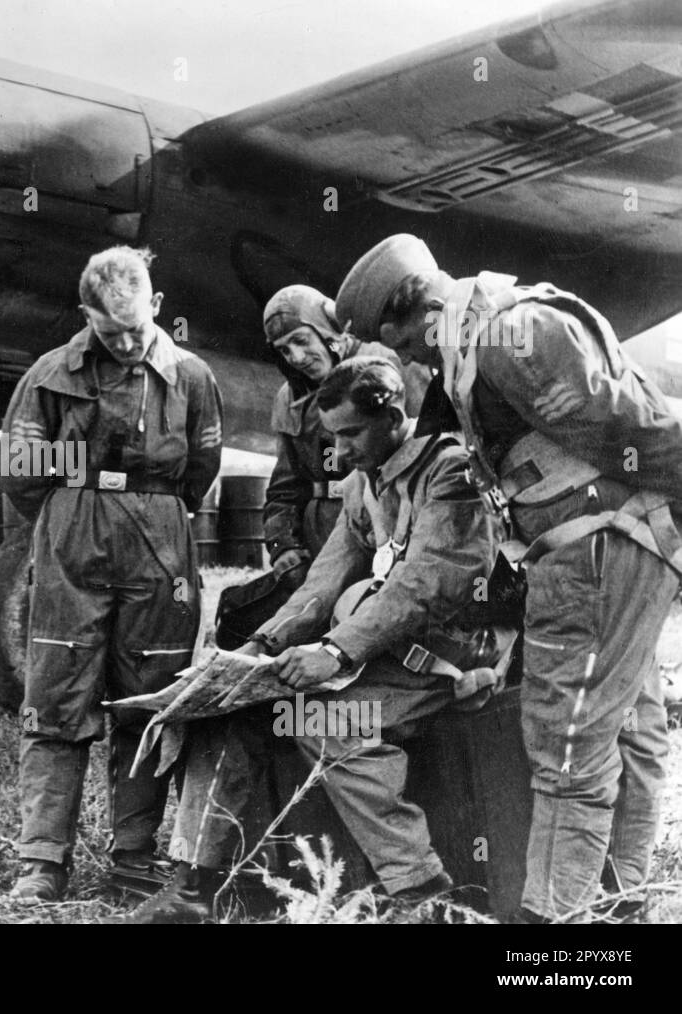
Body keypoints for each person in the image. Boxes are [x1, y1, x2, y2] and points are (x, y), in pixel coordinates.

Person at [335, 234, 682, 922]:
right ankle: (621, 901)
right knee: (626, 728)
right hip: (596, 551)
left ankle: (551, 933)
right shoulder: (479, 339)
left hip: (595, 555)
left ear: (413, 314)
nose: (410, 363)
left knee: (567, 747)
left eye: (404, 346)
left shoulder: (505, 339)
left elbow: (639, 433)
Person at [126, 356, 515, 923]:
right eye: (333, 436)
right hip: (388, 651)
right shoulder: (366, 483)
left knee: (324, 723)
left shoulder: (448, 472)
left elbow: (425, 586)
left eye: (351, 432)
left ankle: (422, 891)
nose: (340, 449)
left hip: (451, 653)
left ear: (395, 416)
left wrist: (334, 651)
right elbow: (325, 579)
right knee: (227, 714)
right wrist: (260, 646)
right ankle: (195, 886)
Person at [0, 245, 223, 902]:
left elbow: (200, 474)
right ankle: (42, 861)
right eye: (109, 330)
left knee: (147, 704)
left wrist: (142, 503)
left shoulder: (192, 377)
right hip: (73, 545)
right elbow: (19, 472)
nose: (126, 343)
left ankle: (133, 859)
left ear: (157, 306)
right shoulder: (49, 375)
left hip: (160, 549)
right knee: (55, 701)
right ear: (84, 315)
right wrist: (87, 491)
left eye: (137, 327)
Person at [262, 285, 425, 574]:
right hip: (322, 531)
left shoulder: (390, 362)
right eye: (284, 350)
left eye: (301, 340)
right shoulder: (289, 400)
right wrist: (282, 544)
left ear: (327, 331)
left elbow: (431, 442)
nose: (297, 357)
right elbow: (285, 485)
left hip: (390, 519)